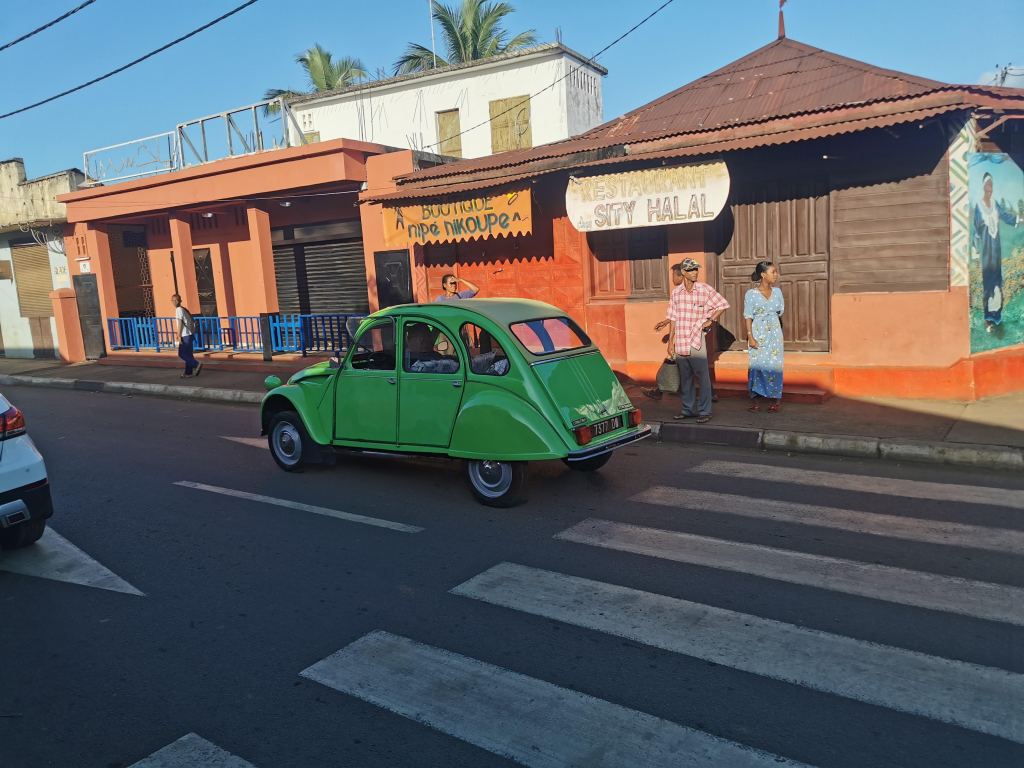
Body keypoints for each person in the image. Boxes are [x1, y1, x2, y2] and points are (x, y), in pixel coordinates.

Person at [666, 258, 728, 424]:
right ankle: (688, 410)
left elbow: (722, 304)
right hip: (680, 340)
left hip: (696, 340)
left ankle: (705, 411)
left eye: (696, 269)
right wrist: (670, 342)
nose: (695, 272)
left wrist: (711, 320)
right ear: (684, 272)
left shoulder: (704, 289)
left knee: (703, 378)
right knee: (685, 378)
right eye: (691, 270)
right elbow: (673, 318)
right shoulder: (676, 293)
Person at [973, 171, 1021, 332]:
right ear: (983, 186)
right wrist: (975, 251)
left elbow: (1006, 216)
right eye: (988, 184)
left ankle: (997, 317)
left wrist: (1019, 219)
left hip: (996, 250)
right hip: (987, 252)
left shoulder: (995, 204)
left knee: (997, 283)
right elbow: (976, 231)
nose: (990, 187)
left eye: (992, 184)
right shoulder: (979, 207)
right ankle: (988, 319)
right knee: (988, 284)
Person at [744, 261, 784, 412]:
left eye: (776, 272)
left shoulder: (778, 292)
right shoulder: (751, 294)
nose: (776, 275)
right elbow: (748, 316)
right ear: (763, 274)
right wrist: (750, 337)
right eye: (773, 272)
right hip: (758, 333)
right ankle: (755, 401)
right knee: (756, 366)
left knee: (775, 367)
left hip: (775, 334)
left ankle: (776, 401)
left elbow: (780, 311)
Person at [171, 294, 201, 378]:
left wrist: (179, 335)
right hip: (189, 335)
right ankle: (188, 373)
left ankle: (196, 364)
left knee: (181, 354)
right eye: (173, 300)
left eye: (176, 300)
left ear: (180, 301)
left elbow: (180, 323)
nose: (174, 302)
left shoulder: (178, 310)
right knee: (188, 355)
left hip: (185, 335)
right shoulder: (184, 309)